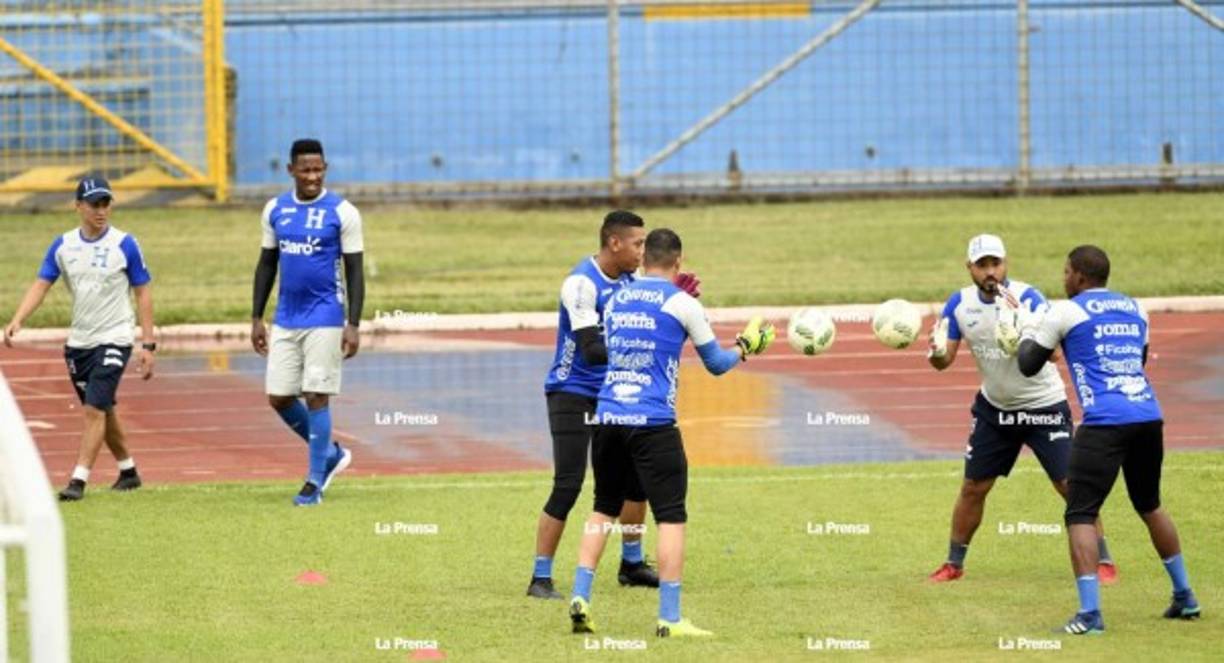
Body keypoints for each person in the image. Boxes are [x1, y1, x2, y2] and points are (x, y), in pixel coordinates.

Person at [568, 228, 773, 637]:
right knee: (671, 519)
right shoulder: (683, 304)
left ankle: (580, 595)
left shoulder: (618, 297)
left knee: (602, 508)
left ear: (644, 260)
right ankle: (670, 618)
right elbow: (715, 363)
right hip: (653, 424)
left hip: (608, 417)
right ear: (678, 262)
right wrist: (746, 347)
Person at [1017, 244, 1200, 634]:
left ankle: (1090, 616)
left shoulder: (1066, 310)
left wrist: (1026, 332)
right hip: (1148, 415)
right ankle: (1185, 596)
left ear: (1080, 277)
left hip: (1103, 421)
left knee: (1080, 513)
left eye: (1066, 271)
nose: (1063, 278)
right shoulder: (1136, 308)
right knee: (1150, 504)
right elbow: (1138, 359)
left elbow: (1028, 365)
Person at [926, 234, 1116, 583]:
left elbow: (1055, 353)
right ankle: (954, 563)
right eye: (982, 265)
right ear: (969, 268)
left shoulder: (1027, 298)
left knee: (1070, 485)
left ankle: (1103, 560)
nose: (990, 272)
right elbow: (944, 360)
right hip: (995, 409)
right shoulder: (958, 304)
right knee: (973, 488)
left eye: (995, 263)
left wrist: (1023, 335)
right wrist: (936, 350)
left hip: (1043, 407)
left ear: (1006, 263)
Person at [530, 210, 661, 599]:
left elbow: (654, 315)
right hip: (571, 392)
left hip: (615, 394)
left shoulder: (633, 281)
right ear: (614, 242)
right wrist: (637, 350)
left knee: (637, 481)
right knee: (568, 484)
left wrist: (678, 293)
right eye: (638, 243)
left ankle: (632, 564)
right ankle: (540, 578)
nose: (643, 251)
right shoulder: (580, 284)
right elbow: (590, 350)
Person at [4, 177, 154, 501]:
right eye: (94, 204)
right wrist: (18, 319)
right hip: (79, 343)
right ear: (78, 206)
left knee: (93, 408)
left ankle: (78, 480)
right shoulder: (63, 245)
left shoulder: (125, 244)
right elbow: (41, 284)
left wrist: (147, 343)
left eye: (106, 203)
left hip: (115, 337)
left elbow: (142, 293)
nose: (101, 211)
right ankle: (129, 472)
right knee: (103, 407)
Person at [251, 138, 364, 506]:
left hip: (326, 314)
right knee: (279, 397)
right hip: (286, 316)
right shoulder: (275, 210)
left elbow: (355, 271)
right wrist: (256, 317)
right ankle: (329, 453)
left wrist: (354, 323)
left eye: (319, 169)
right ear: (291, 171)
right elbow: (267, 263)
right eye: (306, 170)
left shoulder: (343, 212)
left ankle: (314, 481)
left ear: (325, 169)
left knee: (316, 394)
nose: (313, 177)